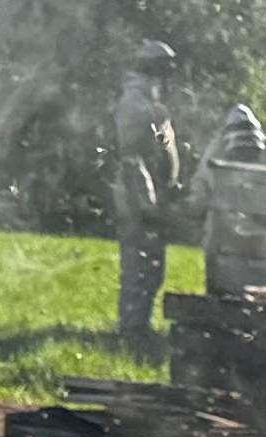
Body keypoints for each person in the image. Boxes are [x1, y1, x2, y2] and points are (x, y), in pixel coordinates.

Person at [109, 45, 186, 344]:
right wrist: (147, 202)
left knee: (151, 268)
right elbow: (133, 158)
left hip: (151, 197)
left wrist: (171, 184)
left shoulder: (148, 102)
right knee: (139, 267)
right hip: (138, 199)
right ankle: (131, 329)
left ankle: (137, 325)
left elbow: (159, 151)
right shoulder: (136, 104)